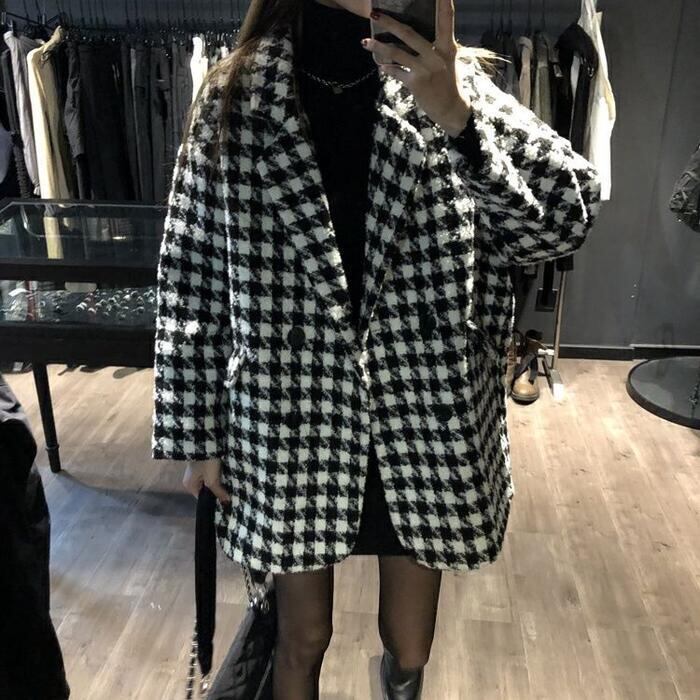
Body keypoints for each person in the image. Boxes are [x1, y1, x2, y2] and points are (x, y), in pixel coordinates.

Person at [150, 0, 602, 698]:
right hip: (289, 415)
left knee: (411, 642)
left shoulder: (450, 83)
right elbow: (190, 273)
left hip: (423, 415)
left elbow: (567, 220)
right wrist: (197, 435)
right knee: (301, 637)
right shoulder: (237, 95)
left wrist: (458, 119)